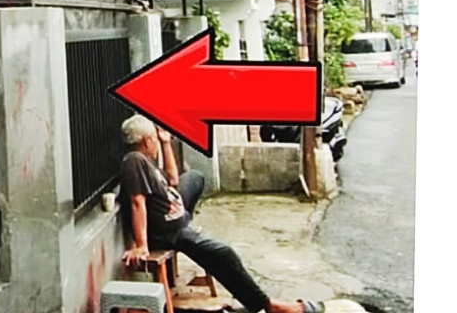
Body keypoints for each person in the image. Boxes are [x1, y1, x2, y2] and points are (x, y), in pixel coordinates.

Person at [118, 114, 325, 313]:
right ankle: (269, 305)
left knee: (194, 178)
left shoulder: (146, 161)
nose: (156, 142)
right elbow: (137, 202)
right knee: (224, 254)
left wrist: (165, 143)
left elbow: (173, 180)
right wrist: (142, 245)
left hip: (173, 210)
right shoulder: (134, 161)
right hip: (169, 231)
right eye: (155, 139)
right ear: (147, 141)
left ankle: (185, 219)